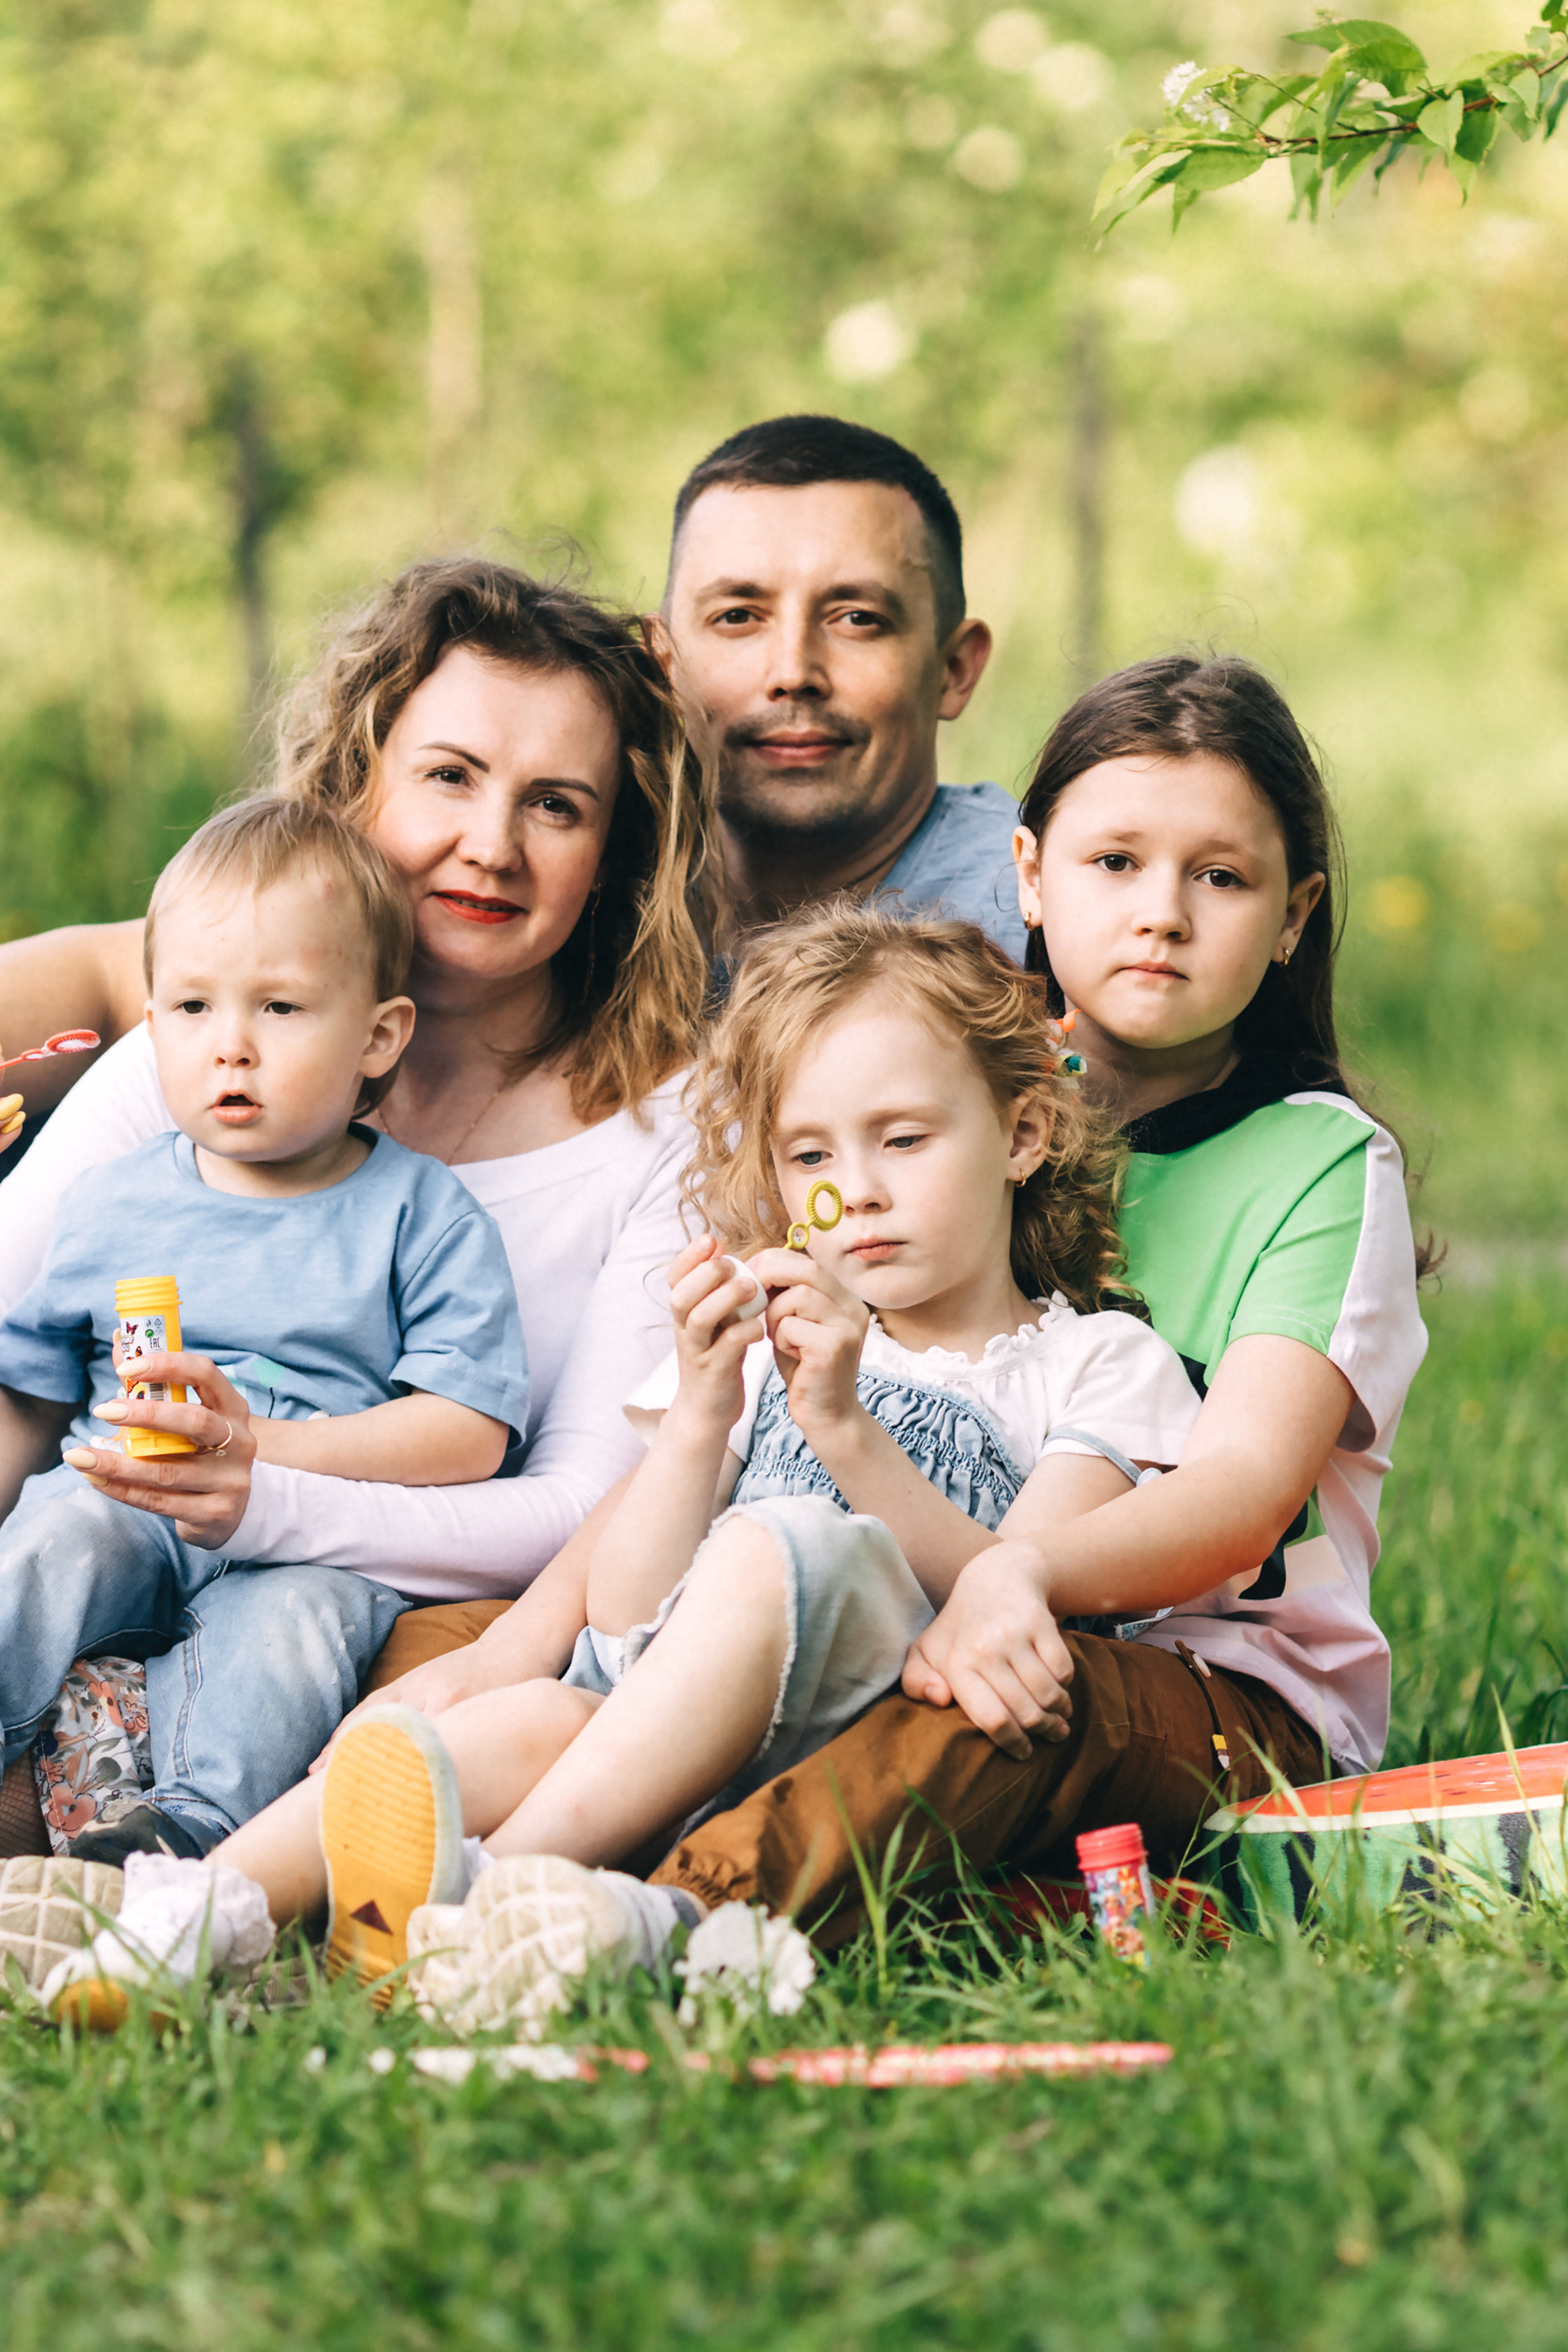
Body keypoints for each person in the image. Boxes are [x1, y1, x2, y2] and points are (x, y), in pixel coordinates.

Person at [284, 654, 1429, 2007]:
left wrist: (1021, 1578)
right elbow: (704, 1455)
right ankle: (241, 1888)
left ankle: (629, 1923)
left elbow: (1235, 1497)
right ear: (1027, 877)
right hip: (874, 1600)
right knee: (456, 1642)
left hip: (1193, 1673)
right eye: (1113, 863)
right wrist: (513, 1641)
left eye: (1220, 880)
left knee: (986, 1702)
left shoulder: (1312, 1164)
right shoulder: (915, 1079)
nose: (1160, 917)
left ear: (1292, 914)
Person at [45, 904, 1208, 2018]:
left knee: (779, 1539)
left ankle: (477, 1902)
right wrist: (705, 1409)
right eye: (811, 1152)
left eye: (904, 1139)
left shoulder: (1096, 1362)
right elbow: (629, 1604)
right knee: (453, 1735)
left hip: (848, 1753)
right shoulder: (765, 1352)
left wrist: (845, 1428)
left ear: (1023, 1133)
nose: (855, 1190)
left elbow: (1016, 1588)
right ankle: (196, 1921)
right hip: (654, 1734)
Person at [0, 559, 718, 1853]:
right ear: (358, 778)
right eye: (449, 775)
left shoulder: (668, 1134)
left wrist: (257, 1485)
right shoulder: (196, 1059)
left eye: (554, 805)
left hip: (415, 1616)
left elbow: (572, 1513)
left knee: (359, 1676)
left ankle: (187, 1872)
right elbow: (18, 1373)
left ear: (613, 854)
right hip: (111, 1546)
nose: (490, 844)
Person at [0, 797, 529, 1853]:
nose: (230, 1048)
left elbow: (470, 1430)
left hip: (315, 1530)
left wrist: (265, 1459)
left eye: (280, 1010)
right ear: (153, 1028)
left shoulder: (419, 1215)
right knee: (54, 1541)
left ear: (379, 1036)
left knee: (295, 1637)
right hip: (130, 1493)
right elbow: (31, 1394)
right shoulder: (110, 1201)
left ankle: (177, 1847)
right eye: (193, 1009)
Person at [653, 413, 1023, 958]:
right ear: (662, 666)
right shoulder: (582, 910)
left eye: (857, 619)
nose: (794, 673)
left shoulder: (1061, 929)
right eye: (737, 617)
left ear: (955, 670)